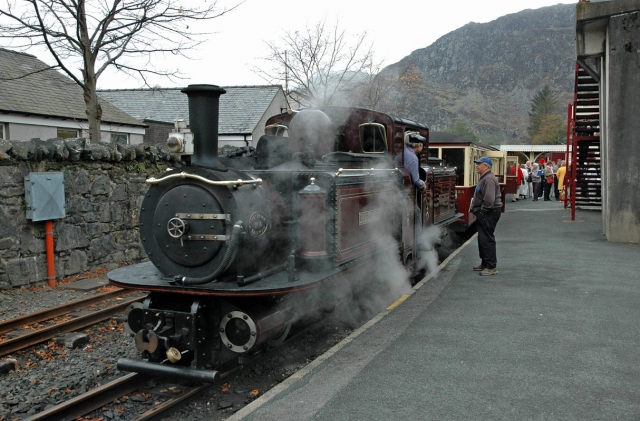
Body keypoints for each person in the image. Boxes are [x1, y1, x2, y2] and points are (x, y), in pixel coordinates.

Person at [470, 156, 502, 276]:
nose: (477, 166)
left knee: (487, 239)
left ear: (486, 166)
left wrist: (482, 211)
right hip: (488, 212)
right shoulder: (485, 178)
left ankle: (491, 267)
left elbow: (489, 199)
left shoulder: (488, 179)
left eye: (479, 164)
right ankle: (485, 263)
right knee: (482, 239)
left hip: (489, 212)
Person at [395, 133, 427, 249]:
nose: (422, 147)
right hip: (403, 192)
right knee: (417, 212)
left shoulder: (403, 151)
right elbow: (416, 180)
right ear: (418, 145)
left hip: (395, 190)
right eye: (422, 145)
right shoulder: (412, 157)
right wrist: (423, 185)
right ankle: (418, 242)